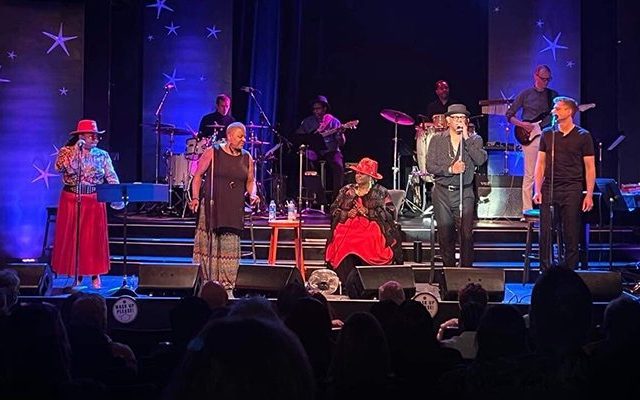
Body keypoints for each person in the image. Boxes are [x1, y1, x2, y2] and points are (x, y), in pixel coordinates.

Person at [52, 119, 121, 289]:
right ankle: (76, 274)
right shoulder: (66, 151)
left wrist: (117, 196)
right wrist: (76, 150)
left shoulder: (102, 155)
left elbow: (111, 176)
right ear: (81, 136)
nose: (96, 139)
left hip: (93, 200)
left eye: (97, 136)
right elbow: (60, 168)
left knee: (93, 238)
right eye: (92, 136)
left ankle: (96, 274)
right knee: (74, 237)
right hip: (71, 198)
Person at [189, 122, 259, 288]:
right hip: (212, 206)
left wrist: (252, 194)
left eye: (244, 137)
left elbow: (251, 181)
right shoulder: (212, 152)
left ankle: (228, 283)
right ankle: (207, 282)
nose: (244, 140)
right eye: (240, 136)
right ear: (229, 136)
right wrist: (195, 197)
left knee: (229, 244)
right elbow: (197, 176)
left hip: (233, 208)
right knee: (209, 244)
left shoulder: (247, 157)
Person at [533, 96, 595, 270]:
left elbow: (590, 167)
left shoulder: (583, 136)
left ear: (569, 111)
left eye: (558, 108)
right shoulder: (548, 134)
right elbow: (540, 163)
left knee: (571, 233)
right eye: (554, 108)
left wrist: (589, 194)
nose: (554, 111)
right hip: (550, 188)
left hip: (572, 189)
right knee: (546, 233)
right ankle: (545, 271)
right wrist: (537, 189)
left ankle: (570, 272)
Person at [325, 157, 402, 285]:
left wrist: (368, 212)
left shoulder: (380, 191)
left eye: (362, 174)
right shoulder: (347, 190)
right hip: (349, 223)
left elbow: (390, 212)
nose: (358, 176)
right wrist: (346, 213)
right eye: (357, 173)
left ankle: (370, 279)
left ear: (370, 177)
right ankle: (346, 279)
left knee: (371, 237)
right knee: (341, 236)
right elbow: (333, 210)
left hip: (372, 223)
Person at [427, 104, 487, 267]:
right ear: (448, 120)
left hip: (464, 192)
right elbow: (430, 166)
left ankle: (466, 272)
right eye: (456, 118)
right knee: (445, 235)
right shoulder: (437, 139)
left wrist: (466, 138)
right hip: (442, 193)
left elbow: (480, 160)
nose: (460, 121)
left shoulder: (474, 140)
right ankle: (449, 272)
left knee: (466, 235)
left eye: (463, 118)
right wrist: (450, 169)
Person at [506, 65, 559, 216]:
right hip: (529, 136)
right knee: (530, 174)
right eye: (543, 79)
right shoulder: (526, 94)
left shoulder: (553, 95)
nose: (546, 82)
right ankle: (526, 210)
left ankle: (545, 210)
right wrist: (523, 125)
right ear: (536, 76)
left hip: (547, 135)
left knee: (546, 174)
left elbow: (557, 115)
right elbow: (509, 115)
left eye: (548, 79)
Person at [295, 95, 346, 202]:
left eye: (318, 109)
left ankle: (336, 199)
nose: (315, 111)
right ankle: (320, 197)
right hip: (315, 150)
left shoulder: (334, 121)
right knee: (306, 164)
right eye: (314, 109)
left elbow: (341, 143)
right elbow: (300, 136)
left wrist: (340, 134)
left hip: (331, 150)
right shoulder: (308, 122)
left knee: (338, 166)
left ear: (324, 108)